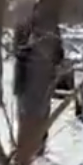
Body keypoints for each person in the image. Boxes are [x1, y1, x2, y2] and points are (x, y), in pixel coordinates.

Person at [12, 11, 64, 153]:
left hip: (44, 82)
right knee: (26, 116)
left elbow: (59, 53)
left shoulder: (52, 28)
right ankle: (24, 149)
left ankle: (39, 147)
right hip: (25, 82)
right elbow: (17, 52)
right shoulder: (24, 27)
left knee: (42, 116)